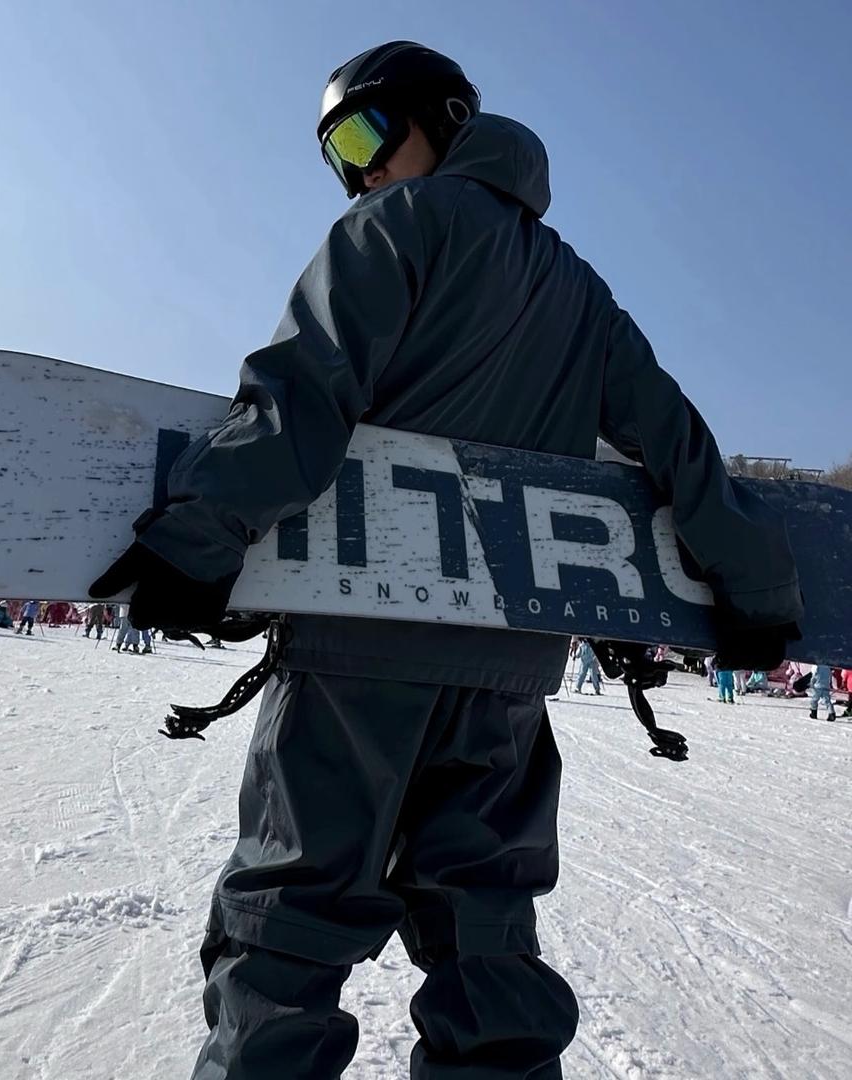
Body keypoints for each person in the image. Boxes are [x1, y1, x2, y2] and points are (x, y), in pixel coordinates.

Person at [88, 42, 803, 1078]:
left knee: (288, 931)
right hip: (505, 682)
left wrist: (199, 539)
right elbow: (677, 446)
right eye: (339, 157)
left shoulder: (394, 232)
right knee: (487, 943)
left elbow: (303, 398)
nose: (359, 172)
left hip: (355, 651)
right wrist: (755, 585)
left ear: (447, 115)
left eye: (368, 134)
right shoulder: (583, 295)